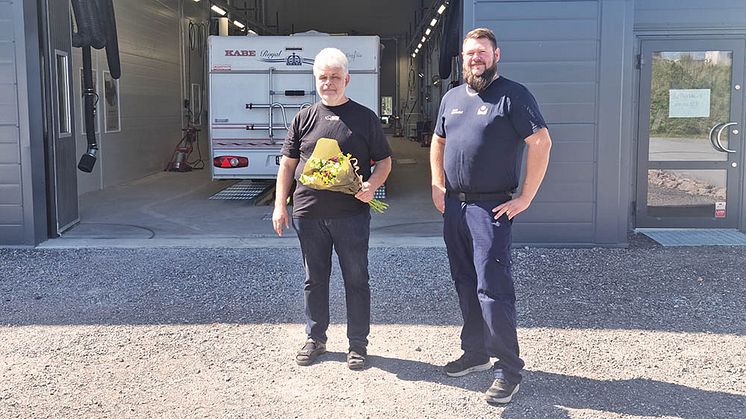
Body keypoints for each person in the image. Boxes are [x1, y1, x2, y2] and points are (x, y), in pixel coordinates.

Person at [430, 28, 552, 404]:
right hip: (455, 206)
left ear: (496, 55)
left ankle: (508, 370)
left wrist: (525, 197)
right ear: (462, 58)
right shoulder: (451, 97)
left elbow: (541, 141)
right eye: (470, 53)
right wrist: (437, 185)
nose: (475, 58)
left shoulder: (513, 96)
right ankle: (476, 353)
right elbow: (439, 140)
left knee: (493, 289)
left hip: (490, 207)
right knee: (465, 282)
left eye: (482, 52)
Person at [272, 47, 392, 370]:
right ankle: (316, 338)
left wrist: (372, 185)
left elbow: (384, 161)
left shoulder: (365, 118)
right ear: (316, 80)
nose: (328, 83)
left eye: (335, 77)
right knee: (314, 279)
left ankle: (358, 344)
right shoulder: (304, 117)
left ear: (347, 79)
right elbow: (287, 165)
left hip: (351, 216)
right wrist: (279, 205)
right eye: (323, 77)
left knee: (356, 278)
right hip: (308, 214)